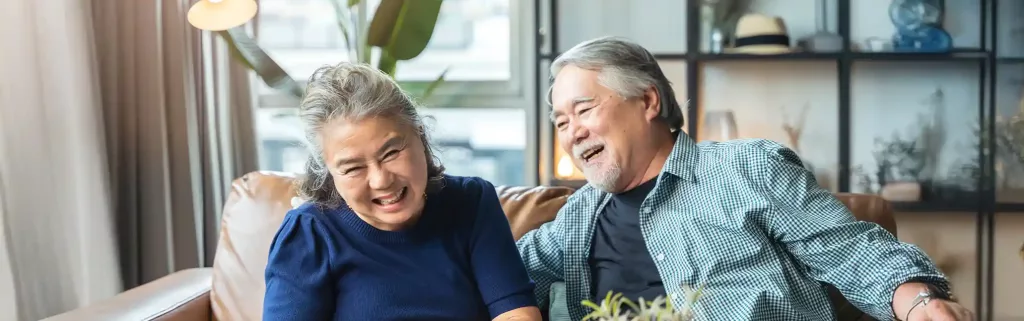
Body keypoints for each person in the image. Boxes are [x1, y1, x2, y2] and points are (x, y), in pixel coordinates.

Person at [516, 36, 975, 321]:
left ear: (649, 102)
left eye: (583, 109)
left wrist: (918, 303)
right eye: (559, 122)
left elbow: (852, 251)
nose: (571, 131)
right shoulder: (577, 218)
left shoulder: (748, 168)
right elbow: (497, 275)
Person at [262, 62, 542, 321]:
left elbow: (517, 313)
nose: (381, 180)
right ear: (329, 171)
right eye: (352, 168)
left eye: (391, 152)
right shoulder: (309, 233)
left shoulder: (471, 202)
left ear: (420, 135)